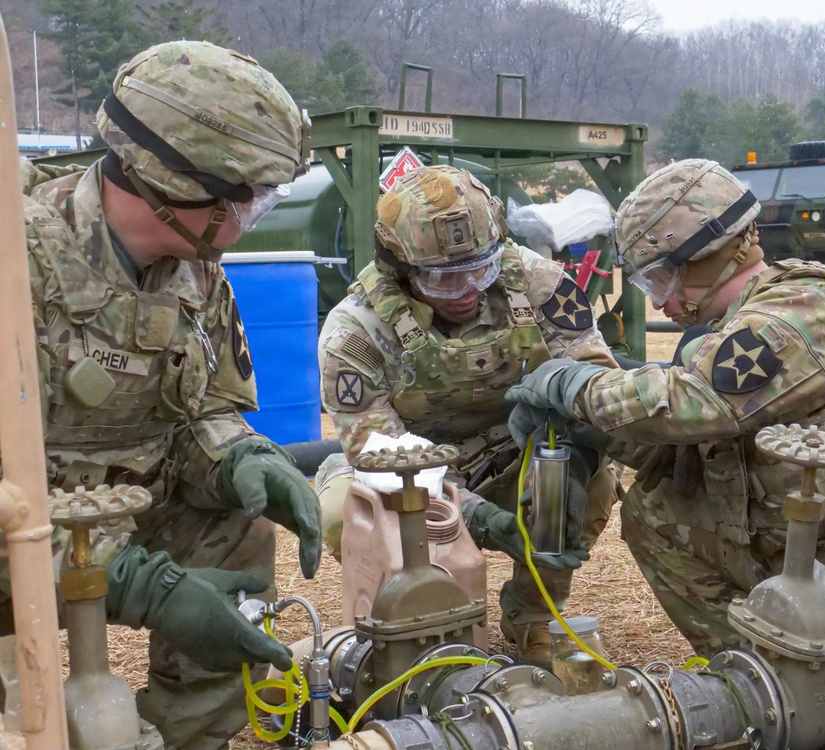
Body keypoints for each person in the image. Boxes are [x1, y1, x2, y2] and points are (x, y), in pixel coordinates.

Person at [505, 158, 825, 658]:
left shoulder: (801, 310)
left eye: (659, 280)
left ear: (707, 257)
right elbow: (693, 441)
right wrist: (591, 420)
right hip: (814, 529)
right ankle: (757, 669)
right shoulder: (759, 313)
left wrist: (575, 385)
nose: (658, 305)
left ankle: (791, 686)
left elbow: (690, 404)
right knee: (657, 510)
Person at [15, 41, 322, 750]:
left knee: (239, 520)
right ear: (172, 183)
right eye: (248, 195)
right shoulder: (16, 260)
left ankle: (191, 733)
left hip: (124, 516)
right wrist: (133, 582)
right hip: (22, 535)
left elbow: (206, 409)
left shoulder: (196, 270)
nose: (255, 214)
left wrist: (242, 460)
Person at [318, 165, 621, 667]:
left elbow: (595, 383)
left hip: (516, 455)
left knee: (584, 483)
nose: (466, 290)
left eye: (481, 269)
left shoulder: (540, 284)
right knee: (340, 515)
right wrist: (476, 516)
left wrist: (573, 460)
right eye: (442, 277)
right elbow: (376, 447)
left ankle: (535, 615)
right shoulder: (356, 330)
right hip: (415, 472)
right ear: (401, 270)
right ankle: (427, 621)